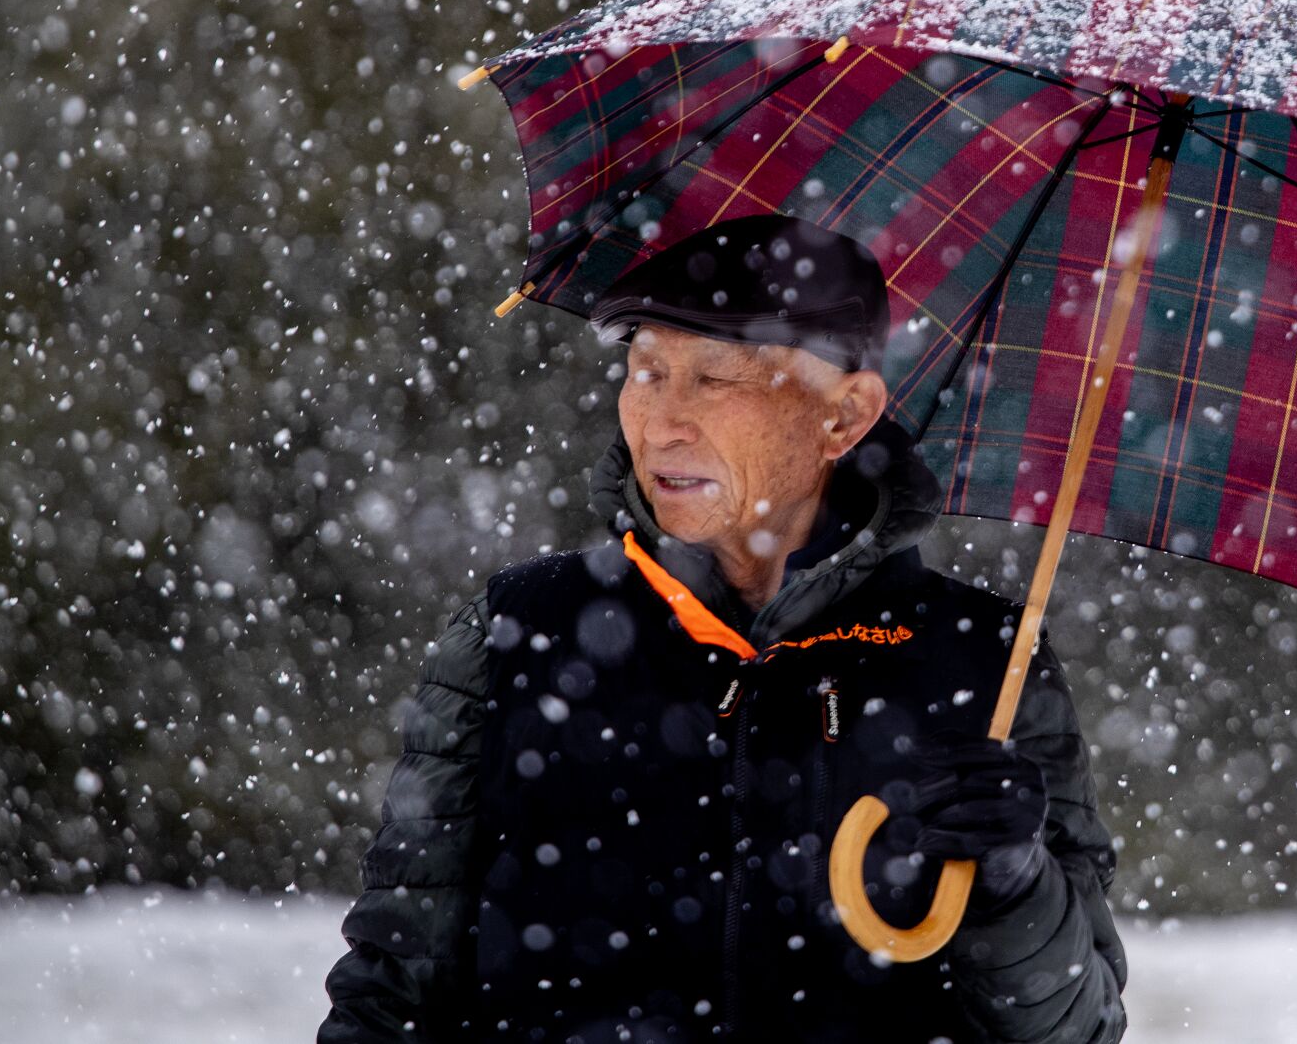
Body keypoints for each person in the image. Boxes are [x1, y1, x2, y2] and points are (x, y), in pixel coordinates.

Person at [318, 214, 1127, 1043]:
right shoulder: (518, 633)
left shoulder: (982, 660)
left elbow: (1082, 1029)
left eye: (715, 380)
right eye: (645, 371)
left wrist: (1016, 884)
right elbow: (391, 990)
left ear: (844, 417)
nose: (661, 421)